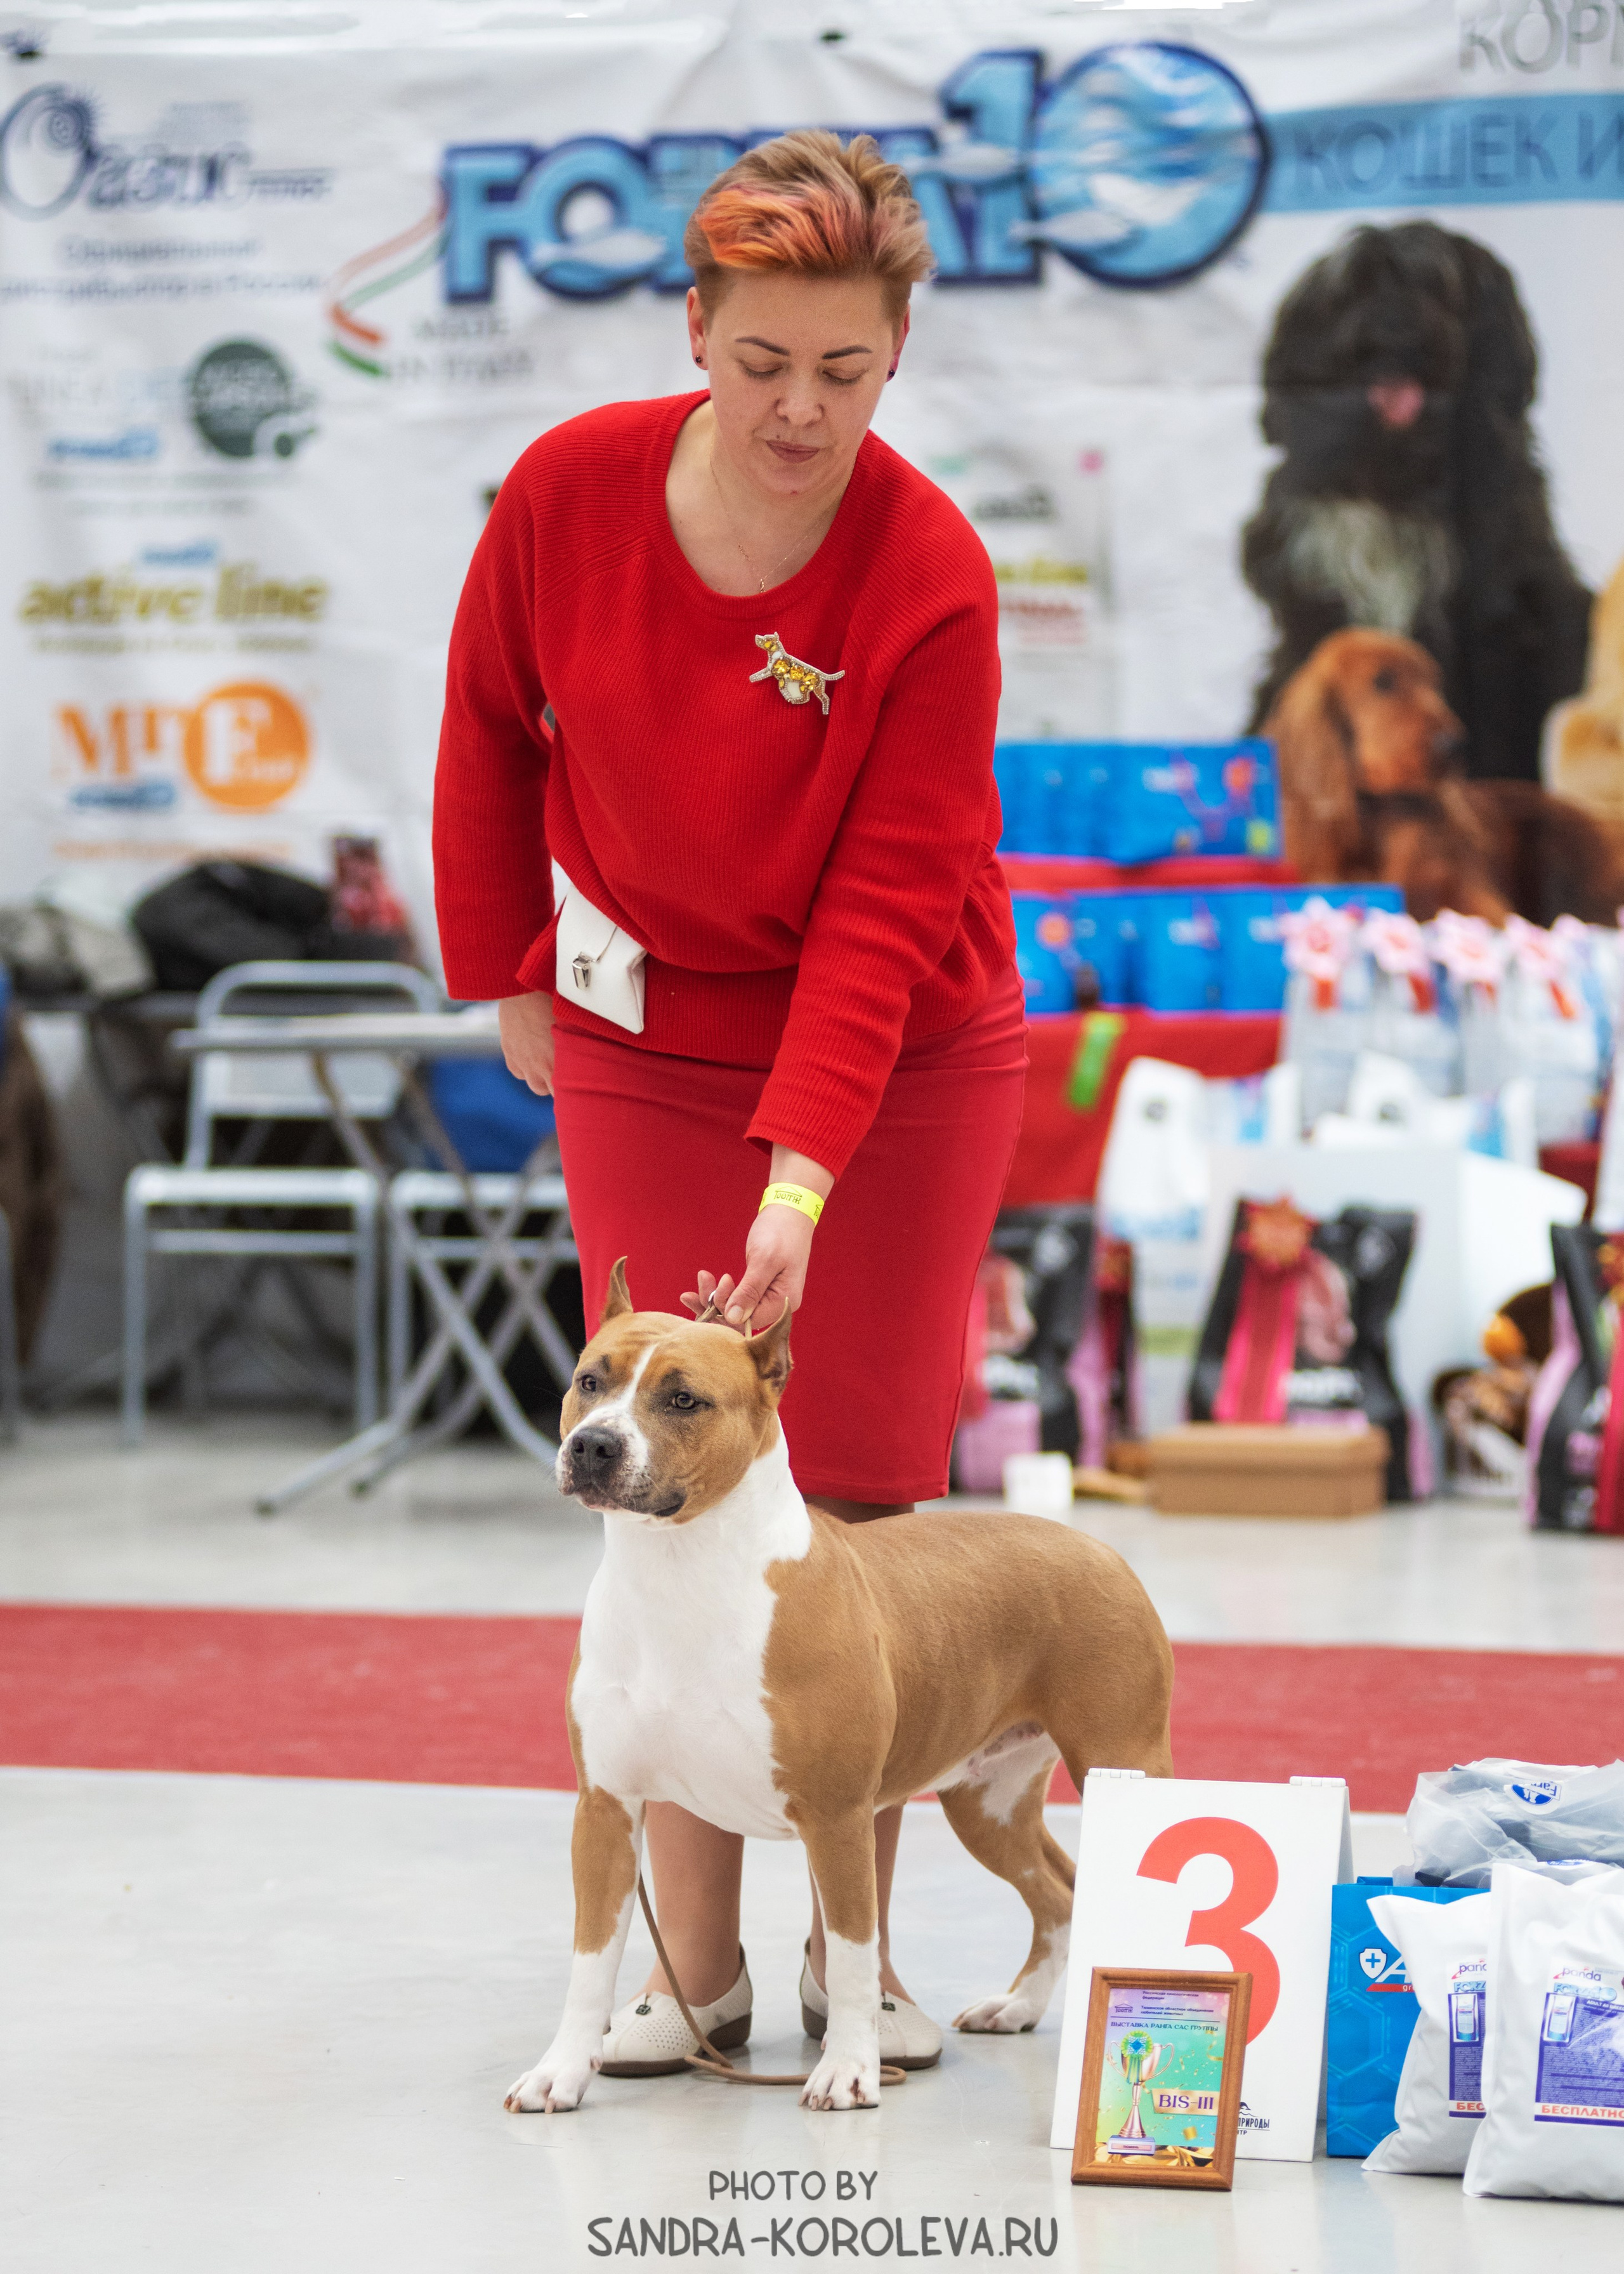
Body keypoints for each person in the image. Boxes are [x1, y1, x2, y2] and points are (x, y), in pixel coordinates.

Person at [433, 129, 1026, 2077]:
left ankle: (860, 1953)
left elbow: (889, 897)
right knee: (661, 1461)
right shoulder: (566, 491)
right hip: (644, 1017)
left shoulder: (929, 565)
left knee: (843, 1477)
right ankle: (698, 1967)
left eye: (843, 373)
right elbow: (485, 721)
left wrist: (804, 1177)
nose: (799, 409)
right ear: (695, 325)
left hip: (900, 1045)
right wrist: (511, 958)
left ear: (895, 357)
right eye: (762, 359)